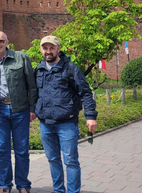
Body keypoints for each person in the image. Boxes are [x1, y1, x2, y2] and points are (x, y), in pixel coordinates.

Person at [35, 35, 97, 193]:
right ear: (41, 49)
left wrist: (90, 116)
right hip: (45, 124)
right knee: (53, 160)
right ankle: (58, 190)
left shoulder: (70, 68)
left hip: (67, 123)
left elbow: (85, 93)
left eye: (51, 48)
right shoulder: (39, 69)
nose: (48, 51)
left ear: (58, 48)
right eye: (45, 48)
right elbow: (34, 94)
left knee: (70, 161)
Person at [0, 31, 37, 193]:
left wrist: (33, 109)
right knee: (2, 149)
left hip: (20, 109)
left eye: (1, 41)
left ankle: (23, 185)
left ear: (7, 42)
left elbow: (31, 86)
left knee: (22, 149)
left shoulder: (21, 58)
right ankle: (4, 184)